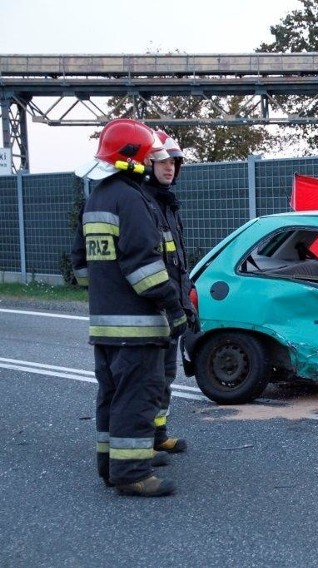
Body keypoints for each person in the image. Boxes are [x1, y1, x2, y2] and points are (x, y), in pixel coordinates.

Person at [71, 118, 187, 497]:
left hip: (104, 326)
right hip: (137, 327)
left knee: (111, 397)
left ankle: (110, 466)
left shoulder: (97, 198)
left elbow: (82, 268)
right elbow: (145, 269)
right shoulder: (133, 200)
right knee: (137, 398)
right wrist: (174, 308)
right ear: (137, 160)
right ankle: (133, 474)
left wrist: (109, 293)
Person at [143, 130, 198, 454]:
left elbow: (178, 262)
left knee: (165, 375)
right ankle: (141, 441)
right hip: (153, 307)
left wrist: (187, 301)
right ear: (148, 162)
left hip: (171, 306)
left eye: (174, 163)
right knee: (148, 379)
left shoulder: (168, 205)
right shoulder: (143, 202)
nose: (169, 168)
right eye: (163, 161)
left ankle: (157, 435)